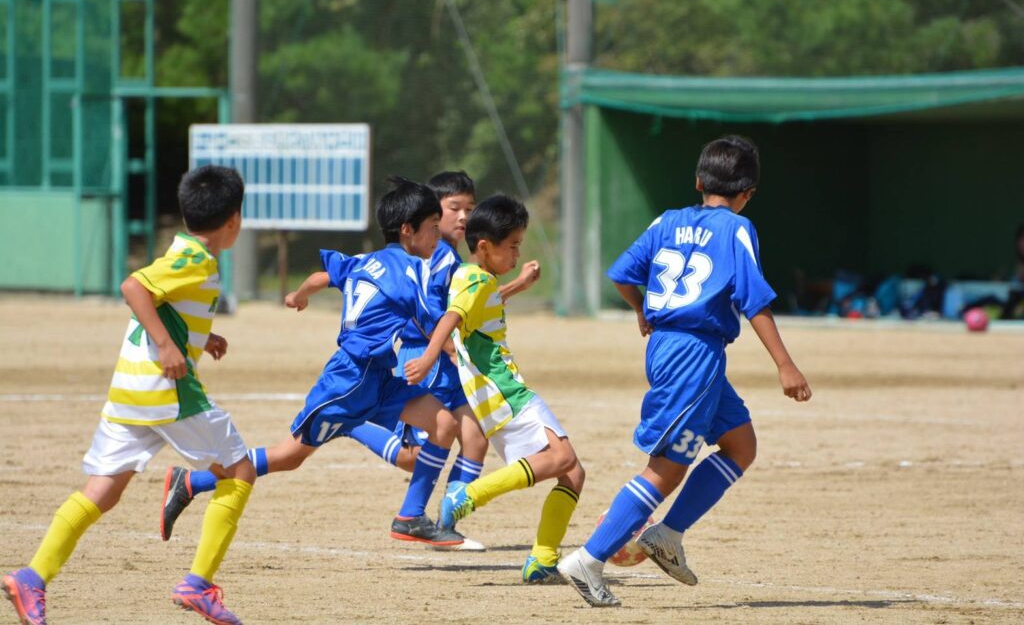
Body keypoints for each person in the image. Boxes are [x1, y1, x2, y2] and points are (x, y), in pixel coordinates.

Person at [160, 172, 540, 549]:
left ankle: (410, 516)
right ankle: (192, 481)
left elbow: (322, 275)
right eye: (432, 227)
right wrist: (438, 354)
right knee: (289, 456)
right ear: (408, 230)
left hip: (383, 376)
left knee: (442, 425)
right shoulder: (413, 272)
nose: (438, 234)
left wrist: (299, 295)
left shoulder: (369, 260)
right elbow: (439, 321)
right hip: (350, 380)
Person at [557, 135, 812, 607]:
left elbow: (621, 273)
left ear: (698, 182)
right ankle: (589, 560)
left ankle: (668, 535)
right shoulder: (737, 229)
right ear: (749, 192)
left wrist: (641, 310)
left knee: (741, 444)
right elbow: (754, 299)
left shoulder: (667, 221)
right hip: (694, 354)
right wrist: (785, 364)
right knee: (667, 470)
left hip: (672, 348)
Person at [3, 166, 255, 625]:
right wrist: (166, 345)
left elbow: (164, 302)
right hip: (165, 390)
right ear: (234, 220)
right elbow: (134, 287)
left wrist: (203, 335)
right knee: (239, 470)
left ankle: (32, 577)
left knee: (102, 490)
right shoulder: (197, 259)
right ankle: (198, 586)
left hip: (130, 389)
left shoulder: (183, 251)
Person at [405, 194, 582, 584]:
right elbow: (452, 318)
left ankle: (541, 560)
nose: (518, 252)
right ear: (485, 247)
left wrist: (517, 285)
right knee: (564, 458)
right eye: (513, 245)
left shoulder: (476, 280)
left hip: (494, 397)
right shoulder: (476, 278)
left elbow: (478, 308)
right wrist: (432, 356)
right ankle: (466, 496)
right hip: (506, 392)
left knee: (573, 474)